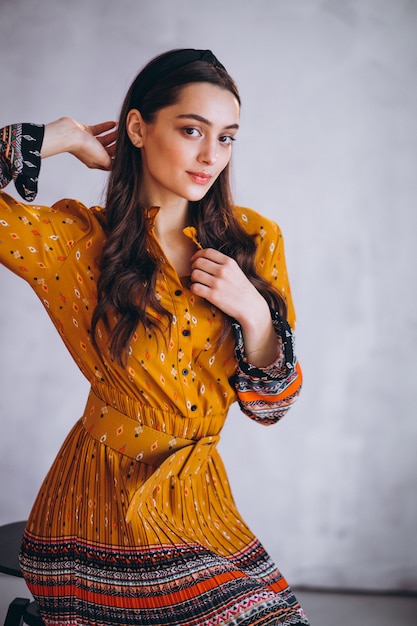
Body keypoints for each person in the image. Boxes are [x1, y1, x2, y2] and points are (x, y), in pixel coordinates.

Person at [0, 48, 309, 625]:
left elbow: (273, 409)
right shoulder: (74, 242)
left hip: (200, 503)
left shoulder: (255, 241)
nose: (210, 156)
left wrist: (256, 316)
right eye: (192, 130)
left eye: (227, 138)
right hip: (97, 506)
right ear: (138, 128)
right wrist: (53, 137)